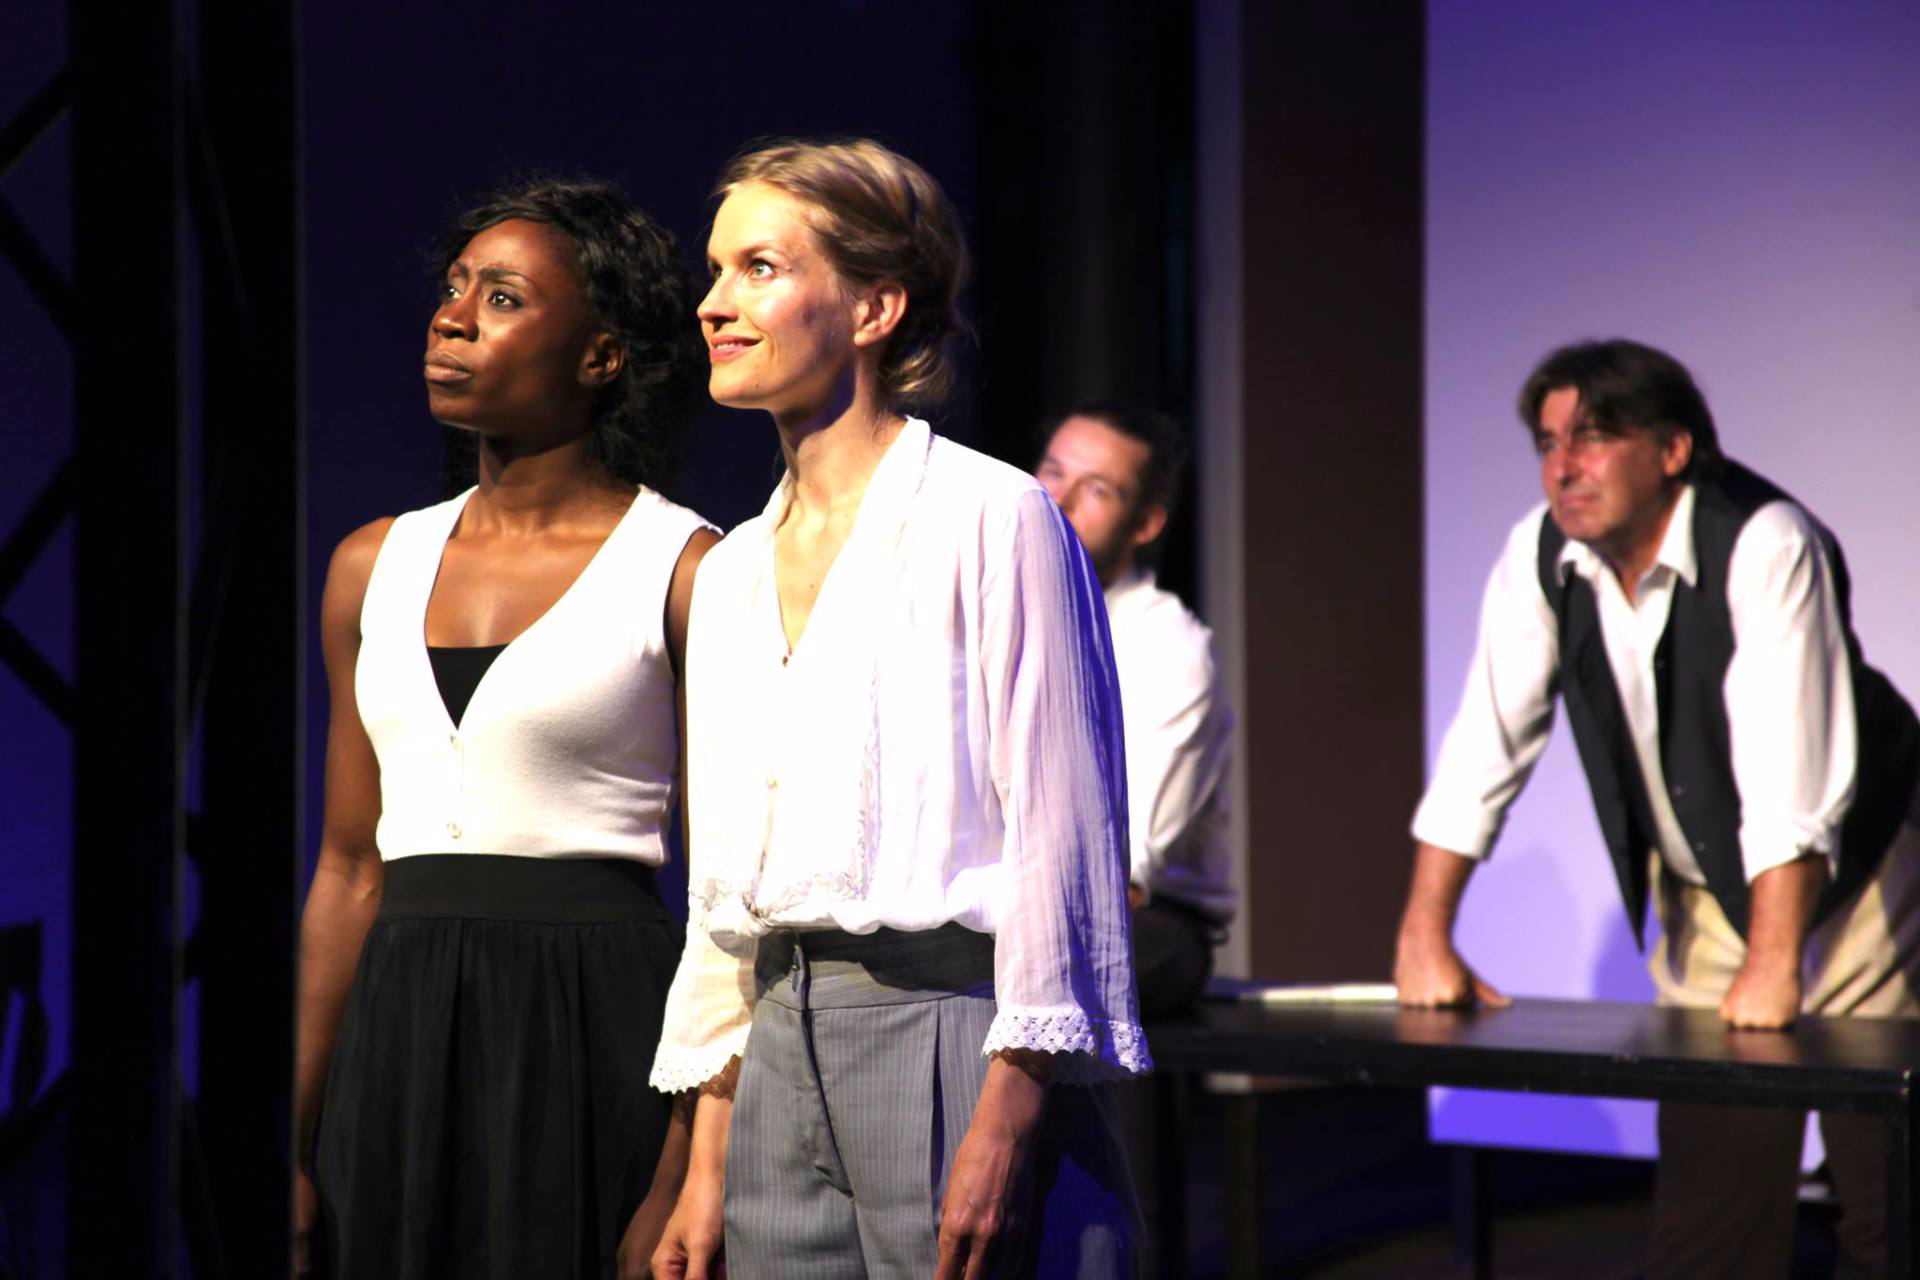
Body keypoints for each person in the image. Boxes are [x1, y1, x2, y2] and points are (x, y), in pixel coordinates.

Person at [648, 138, 1147, 1280]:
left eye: (759, 268)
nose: (714, 303)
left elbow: (1062, 833)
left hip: (954, 1032)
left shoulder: (992, 516)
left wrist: (1007, 1114)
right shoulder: (730, 568)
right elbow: (726, 891)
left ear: (874, 308)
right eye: (716, 270)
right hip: (779, 1051)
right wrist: (708, 1160)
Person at [1394, 338, 1920, 1278]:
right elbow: (1485, 745)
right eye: (1549, 442)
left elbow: (1791, 777)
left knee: (1891, 1209)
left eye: (1593, 437)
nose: (1563, 466)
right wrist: (1424, 933)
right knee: (1710, 1227)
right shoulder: (1543, 554)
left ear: (1674, 450)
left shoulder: (1764, 542)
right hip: (1712, 893)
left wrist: (1774, 964)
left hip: (1863, 880)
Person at [293, 179, 719, 1280]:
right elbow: (347, 867)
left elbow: (730, 898)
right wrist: (289, 1139)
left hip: (593, 1020)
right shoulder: (370, 564)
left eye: (502, 297)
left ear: (601, 356)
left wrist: (682, 1172)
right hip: (397, 1026)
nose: (452, 318)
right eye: (453, 289)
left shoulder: (683, 569)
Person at [1035, 403, 1235, 1018]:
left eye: (1097, 489)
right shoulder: (995, 614)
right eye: (1053, 472)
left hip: (1141, 918)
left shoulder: (1169, 650)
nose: (1059, 500)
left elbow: (1124, 872)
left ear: (1145, 523)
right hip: (1010, 897)